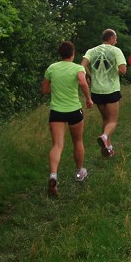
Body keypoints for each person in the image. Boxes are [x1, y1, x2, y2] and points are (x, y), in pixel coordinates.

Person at [42, 41, 93, 197]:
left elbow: (44, 90)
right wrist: (88, 99)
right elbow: (83, 82)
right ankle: (79, 172)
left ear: (60, 53)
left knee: (57, 145)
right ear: (72, 53)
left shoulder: (52, 68)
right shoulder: (77, 68)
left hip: (56, 111)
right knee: (77, 141)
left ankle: (53, 175)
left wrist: (56, 88)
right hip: (74, 111)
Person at [81, 29, 127, 158]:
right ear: (111, 38)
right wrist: (113, 74)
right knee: (113, 121)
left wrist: (91, 76)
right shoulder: (116, 50)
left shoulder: (92, 50)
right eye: (116, 38)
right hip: (111, 90)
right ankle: (105, 137)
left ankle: (107, 148)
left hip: (96, 91)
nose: (116, 41)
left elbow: (82, 65)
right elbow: (123, 70)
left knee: (105, 119)